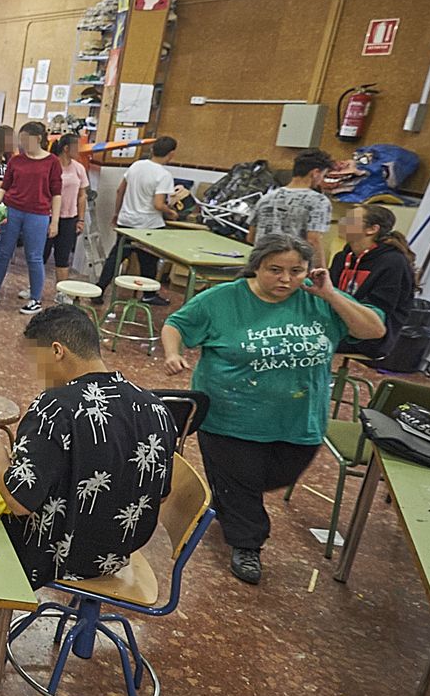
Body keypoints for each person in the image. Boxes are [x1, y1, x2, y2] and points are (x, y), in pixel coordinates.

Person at [0, 306, 177, 665]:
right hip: (119, 550)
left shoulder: (56, 407)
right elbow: (161, 490)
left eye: (36, 360)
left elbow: (20, 501)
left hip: (64, 552)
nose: (35, 373)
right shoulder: (154, 406)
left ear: (58, 351)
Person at [161, 234, 386, 585]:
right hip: (229, 417)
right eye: (275, 270)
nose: (286, 279)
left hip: (298, 420)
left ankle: (229, 501)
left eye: (297, 271)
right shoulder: (224, 298)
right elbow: (176, 324)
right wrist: (173, 353)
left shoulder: (318, 300)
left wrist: (330, 293)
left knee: (273, 477)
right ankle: (247, 544)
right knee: (243, 482)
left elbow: (373, 330)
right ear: (257, 266)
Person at [0, 121, 61, 313]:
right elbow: (5, 186)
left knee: (34, 257)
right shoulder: (16, 161)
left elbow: (56, 193)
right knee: (3, 252)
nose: (23, 143)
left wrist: (55, 221)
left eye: (27, 139)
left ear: (38, 139)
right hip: (12, 210)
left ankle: (35, 299)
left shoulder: (52, 162)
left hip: (38, 214)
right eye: (21, 140)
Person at [95, 136, 180, 306]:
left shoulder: (136, 166)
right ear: (171, 154)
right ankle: (149, 294)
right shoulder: (164, 175)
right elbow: (158, 204)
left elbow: (120, 191)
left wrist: (117, 213)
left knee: (115, 258)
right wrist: (171, 212)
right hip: (148, 225)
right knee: (149, 261)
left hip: (127, 221)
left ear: (152, 150)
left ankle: (99, 290)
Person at [329, 204, 416, 359]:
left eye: (350, 220)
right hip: (338, 326)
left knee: (303, 340)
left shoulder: (393, 262)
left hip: (370, 339)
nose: (343, 223)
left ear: (371, 229)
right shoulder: (342, 258)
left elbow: (379, 310)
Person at [249, 149, 334, 267]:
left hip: (262, 266)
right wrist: (322, 271)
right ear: (315, 173)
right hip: (292, 269)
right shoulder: (318, 201)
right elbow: (313, 240)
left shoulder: (267, 198)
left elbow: (251, 237)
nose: (321, 180)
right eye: (323, 175)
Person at [43, 133, 89, 296]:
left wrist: (81, 219)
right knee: (41, 254)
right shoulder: (50, 165)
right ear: (66, 148)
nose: (80, 150)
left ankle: (61, 293)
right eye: (77, 146)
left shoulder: (79, 168)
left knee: (63, 257)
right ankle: (33, 289)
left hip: (70, 218)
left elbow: (82, 195)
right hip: (47, 216)